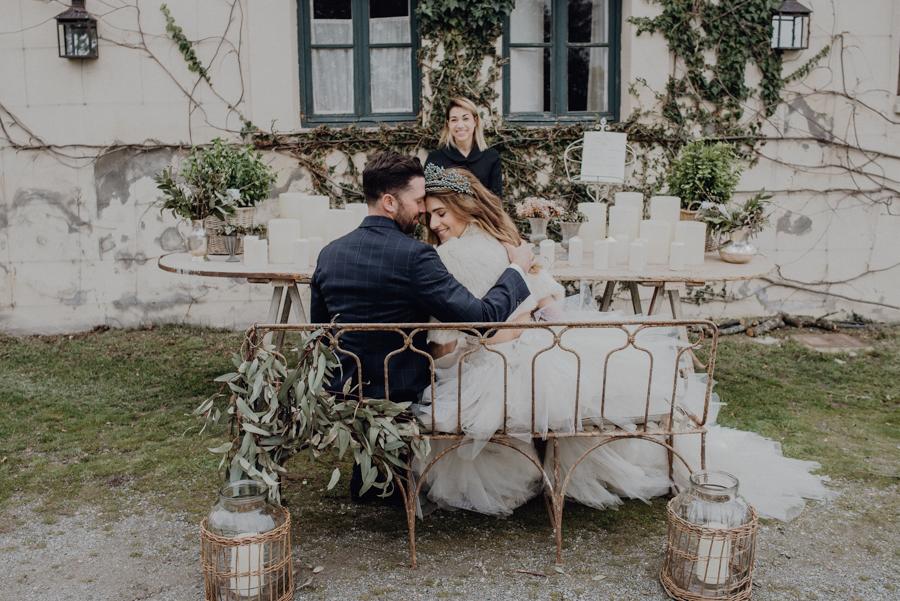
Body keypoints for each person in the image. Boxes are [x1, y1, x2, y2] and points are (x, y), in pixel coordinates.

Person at [415, 164, 832, 521]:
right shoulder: (501, 241)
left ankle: (545, 467)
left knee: (544, 393)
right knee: (586, 385)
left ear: (466, 205)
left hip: (505, 358)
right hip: (533, 345)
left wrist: (515, 326)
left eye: (441, 213)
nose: (435, 225)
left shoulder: (455, 255)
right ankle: (574, 466)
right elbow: (546, 295)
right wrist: (532, 318)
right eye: (430, 217)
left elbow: (464, 334)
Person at [309, 152, 533, 501]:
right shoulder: (416, 256)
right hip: (402, 389)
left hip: (345, 389)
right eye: (416, 203)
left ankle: (374, 475)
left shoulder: (329, 253)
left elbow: (320, 331)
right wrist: (516, 270)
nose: (421, 213)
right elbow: (482, 322)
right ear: (388, 202)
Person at [426, 97, 503, 197]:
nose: (460, 125)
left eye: (465, 118)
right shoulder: (435, 159)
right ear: (448, 123)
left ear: (475, 121)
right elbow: (431, 198)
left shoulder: (491, 157)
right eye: (454, 120)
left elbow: (496, 200)